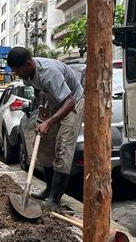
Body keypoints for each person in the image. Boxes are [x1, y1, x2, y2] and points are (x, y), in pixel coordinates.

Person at [7, 47, 84, 210]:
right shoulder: (28, 72)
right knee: (43, 144)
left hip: (73, 103)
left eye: (17, 70)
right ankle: (49, 189)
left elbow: (69, 101)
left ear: (27, 64)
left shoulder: (50, 73)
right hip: (55, 103)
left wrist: (48, 122)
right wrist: (42, 105)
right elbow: (39, 88)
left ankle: (54, 199)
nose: (16, 74)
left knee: (63, 148)